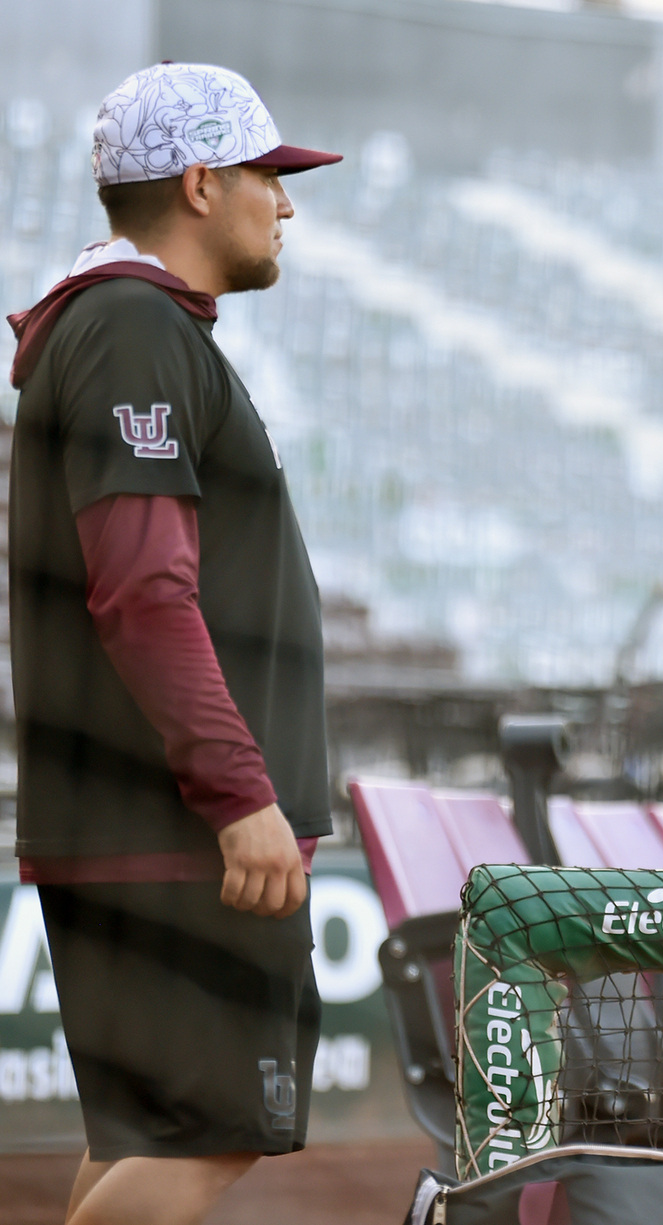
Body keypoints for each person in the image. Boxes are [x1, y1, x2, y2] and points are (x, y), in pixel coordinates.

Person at [5, 63, 340, 1225]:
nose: (284, 204)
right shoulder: (134, 328)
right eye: (268, 176)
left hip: (158, 825)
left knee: (153, 1136)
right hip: (182, 834)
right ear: (202, 183)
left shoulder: (128, 327)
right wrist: (239, 793)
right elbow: (143, 592)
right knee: (209, 1136)